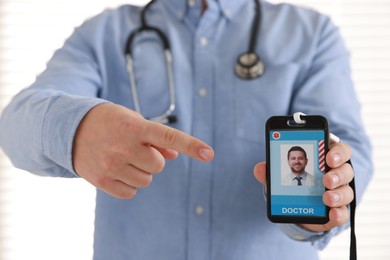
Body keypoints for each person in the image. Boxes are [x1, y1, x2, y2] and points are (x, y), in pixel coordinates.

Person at [0, 0, 373, 259]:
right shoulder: (103, 35)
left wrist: (331, 193)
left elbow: (347, 144)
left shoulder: (311, 34)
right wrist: (77, 128)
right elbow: (14, 124)